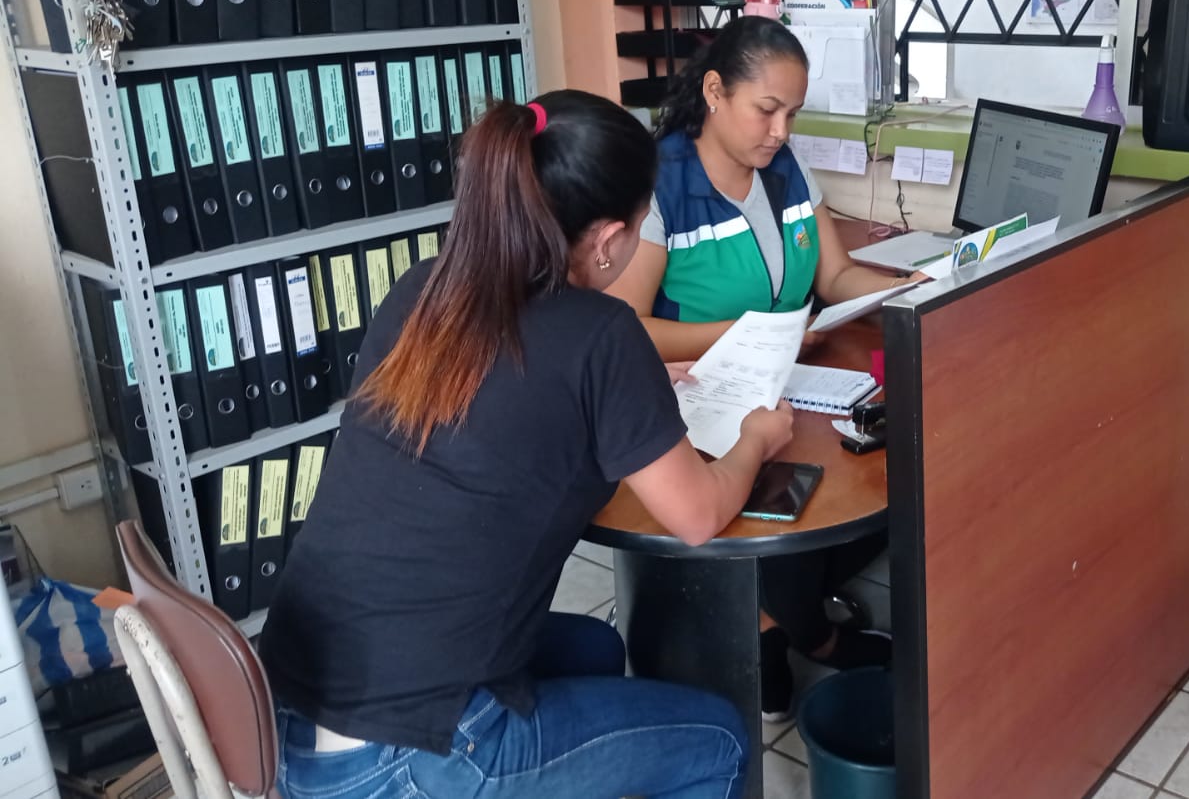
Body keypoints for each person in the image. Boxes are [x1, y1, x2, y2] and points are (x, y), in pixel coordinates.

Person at [259, 93, 796, 799]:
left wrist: (633, 392)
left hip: (288, 718)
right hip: (403, 761)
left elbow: (509, 404)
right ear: (608, 239)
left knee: (595, 647)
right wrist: (756, 436)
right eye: (640, 226)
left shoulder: (425, 290)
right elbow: (697, 516)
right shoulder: (601, 334)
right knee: (720, 740)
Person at [606, 16, 902, 721]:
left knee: (883, 474)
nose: (779, 131)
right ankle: (801, 630)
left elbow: (834, 275)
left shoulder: (786, 171)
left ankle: (780, 618)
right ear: (714, 92)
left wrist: (909, 291)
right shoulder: (661, 184)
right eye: (766, 109)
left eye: (791, 114)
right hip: (695, 399)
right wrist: (752, 334)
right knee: (786, 502)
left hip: (788, 384)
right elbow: (624, 329)